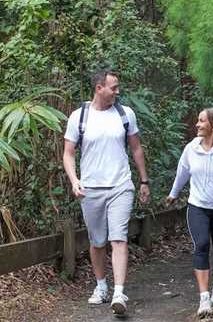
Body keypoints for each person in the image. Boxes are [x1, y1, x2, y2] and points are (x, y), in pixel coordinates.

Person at [63, 69, 151, 317]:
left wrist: (144, 180)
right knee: (97, 241)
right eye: (114, 87)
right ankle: (101, 285)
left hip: (120, 185)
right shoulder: (79, 117)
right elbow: (68, 153)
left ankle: (119, 292)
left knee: (119, 238)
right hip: (90, 188)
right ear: (99, 88)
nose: (118, 91)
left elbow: (136, 148)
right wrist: (74, 180)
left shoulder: (125, 114)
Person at [165, 108, 213, 318]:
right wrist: (173, 194)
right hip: (197, 206)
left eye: (202, 121)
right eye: (198, 121)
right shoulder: (191, 148)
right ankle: (204, 298)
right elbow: (182, 171)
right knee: (200, 245)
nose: (197, 125)